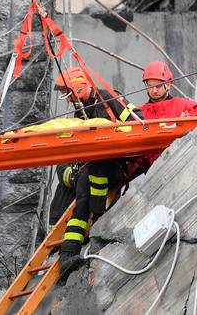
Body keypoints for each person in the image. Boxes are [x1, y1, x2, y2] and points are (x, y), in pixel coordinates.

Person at [50, 67, 143, 266]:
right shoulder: (81, 110)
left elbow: (138, 119)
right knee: (84, 187)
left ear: (79, 88)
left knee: (94, 175)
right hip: (94, 167)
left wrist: (116, 137)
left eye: (68, 94)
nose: (67, 99)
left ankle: (97, 230)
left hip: (116, 165)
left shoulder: (108, 99)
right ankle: (68, 253)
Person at [139, 61, 197, 167]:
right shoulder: (138, 113)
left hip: (183, 165)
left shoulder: (185, 107)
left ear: (169, 84)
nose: (154, 90)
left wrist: (187, 124)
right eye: (150, 86)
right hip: (149, 172)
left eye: (158, 86)